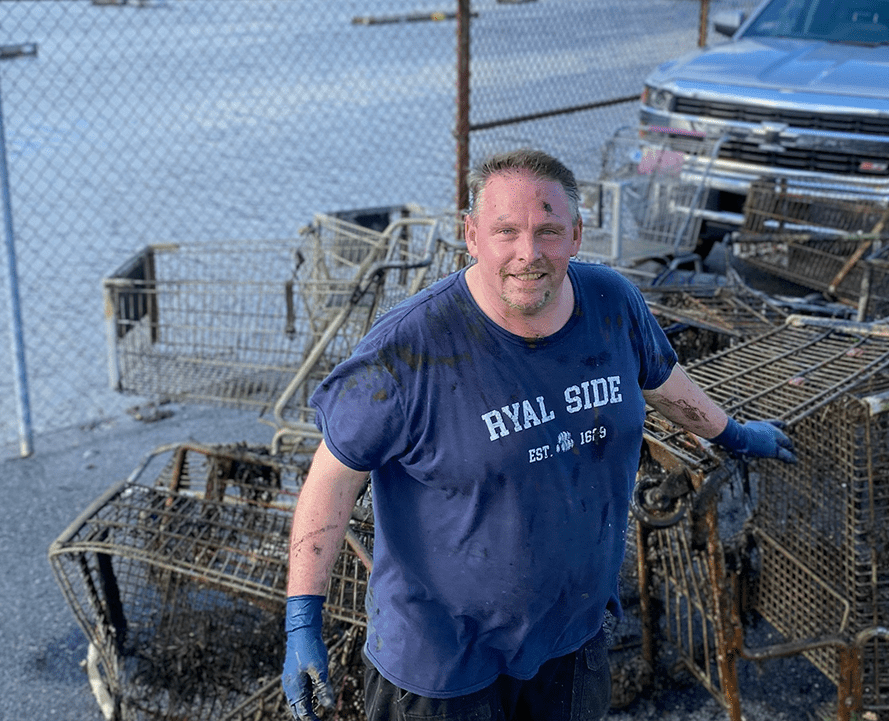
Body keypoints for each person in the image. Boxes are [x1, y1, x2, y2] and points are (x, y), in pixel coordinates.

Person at [280, 149, 797, 721]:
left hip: (570, 639)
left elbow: (662, 380)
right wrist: (303, 620)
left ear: (576, 235)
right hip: (442, 666)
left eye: (548, 231)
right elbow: (331, 480)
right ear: (471, 235)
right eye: (507, 231)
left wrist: (735, 435)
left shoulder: (612, 303)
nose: (529, 255)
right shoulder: (407, 350)